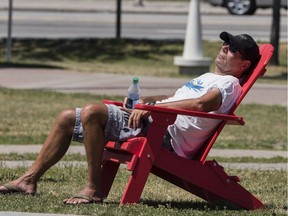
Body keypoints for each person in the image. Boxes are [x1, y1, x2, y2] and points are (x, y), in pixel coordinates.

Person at [0, 31, 260, 205]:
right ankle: (28, 180)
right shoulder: (207, 77)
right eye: (225, 44)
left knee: (92, 111)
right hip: (155, 121)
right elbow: (177, 96)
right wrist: (149, 101)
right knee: (67, 117)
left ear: (244, 65)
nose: (225, 48)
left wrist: (154, 111)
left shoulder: (228, 83)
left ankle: (92, 190)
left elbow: (203, 104)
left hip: (164, 135)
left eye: (233, 49)